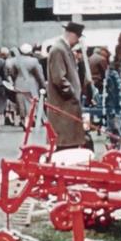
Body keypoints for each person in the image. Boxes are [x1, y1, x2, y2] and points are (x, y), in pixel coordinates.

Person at [47, 21, 86, 150]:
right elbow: (59, 78)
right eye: (78, 37)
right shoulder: (59, 49)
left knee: (69, 142)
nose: (78, 40)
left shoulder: (63, 49)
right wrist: (72, 93)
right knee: (64, 143)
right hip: (64, 105)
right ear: (71, 34)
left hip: (67, 104)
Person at [10, 43, 46, 128]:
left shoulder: (15, 60)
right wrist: (42, 85)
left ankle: (23, 119)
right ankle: (29, 119)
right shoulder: (34, 61)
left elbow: (12, 73)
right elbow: (39, 75)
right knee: (31, 102)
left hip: (19, 83)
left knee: (21, 103)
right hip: (31, 83)